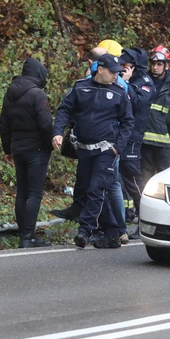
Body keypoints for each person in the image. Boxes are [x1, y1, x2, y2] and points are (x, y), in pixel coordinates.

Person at [52, 53, 134, 249]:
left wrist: (117, 148)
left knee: (96, 189)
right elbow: (65, 110)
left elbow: (128, 122)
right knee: (92, 190)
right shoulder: (81, 87)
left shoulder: (119, 92)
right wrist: (57, 133)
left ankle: (85, 230)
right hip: (84, 149)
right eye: (113, 72)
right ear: (101, 69)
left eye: (118, 72)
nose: (116, 76)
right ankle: (112, 232)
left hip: (106, 150)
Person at [0, 58, 55, 248]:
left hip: (18, 149)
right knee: (35, 193)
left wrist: (8, 149)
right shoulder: (38, 94)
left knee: (22, 192)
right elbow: (46, 124)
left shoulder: (10, 93)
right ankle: (28, 236)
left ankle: (24, 234)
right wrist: (50, 144)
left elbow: (3, 125)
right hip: (37, 149)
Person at [117, 46, 154, 225]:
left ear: (134, 66)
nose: (122, 67)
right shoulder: (123, 79)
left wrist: (126, 83)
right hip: (120, 133)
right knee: (118, 177)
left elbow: (138, 102)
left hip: (133, 136)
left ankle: (146, 216)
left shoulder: (146, 82)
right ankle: (124, 215)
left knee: (132, 177)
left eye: (126, 64)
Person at [141, 46, 170, 185]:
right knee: (144, 179)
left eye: (159, 64)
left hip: (166, 144)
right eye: (153, 64)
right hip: (144, 142)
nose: (155, 68)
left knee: (167, 180)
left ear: (166, 66)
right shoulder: (142, 82)